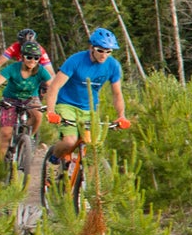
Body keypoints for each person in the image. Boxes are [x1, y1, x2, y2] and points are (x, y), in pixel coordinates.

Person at [41, 28, 131, 180]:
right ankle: (54, 161)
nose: (104, 55)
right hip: (67, 105)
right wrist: (51, 112)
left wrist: (121, 116)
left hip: (89, 109)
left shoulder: (113, 66)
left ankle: (89, 188)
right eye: (100, 50)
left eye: (108, 51)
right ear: (92, 47)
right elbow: (55, 86)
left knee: (94, 148)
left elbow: (117, 94)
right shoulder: (75, 60)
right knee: (70, 141)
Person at [0, 35, 54, 165]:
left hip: (30, 98)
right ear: (22, 57)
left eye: (36, 58)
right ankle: (0, 166)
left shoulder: (41, 70)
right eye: (29, 57)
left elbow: (53, 86)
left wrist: (54, 104)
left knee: (38, 115)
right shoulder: (13, 68)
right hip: (11, 99)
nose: (32, 61)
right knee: (6, 133)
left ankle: (29, 139)